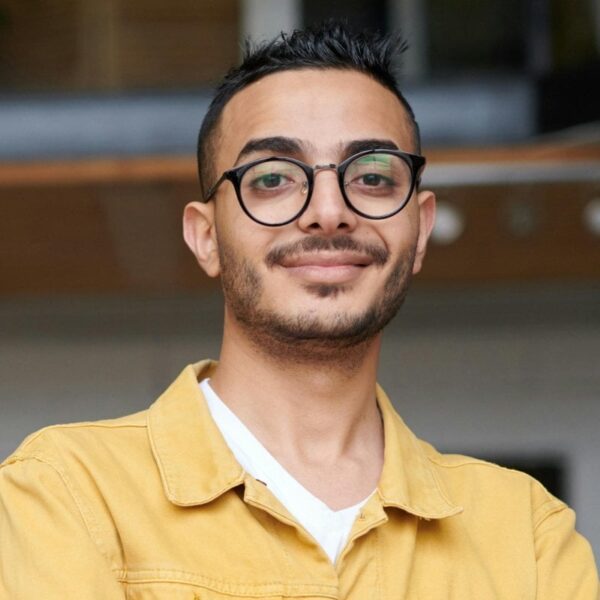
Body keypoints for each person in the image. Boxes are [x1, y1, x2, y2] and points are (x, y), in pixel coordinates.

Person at [0, 21, 598, 599]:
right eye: (272, 179)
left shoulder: (526, 534)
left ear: (419, 230)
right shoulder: (68, 493)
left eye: (372, 176)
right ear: (205, 237)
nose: (329, 212)